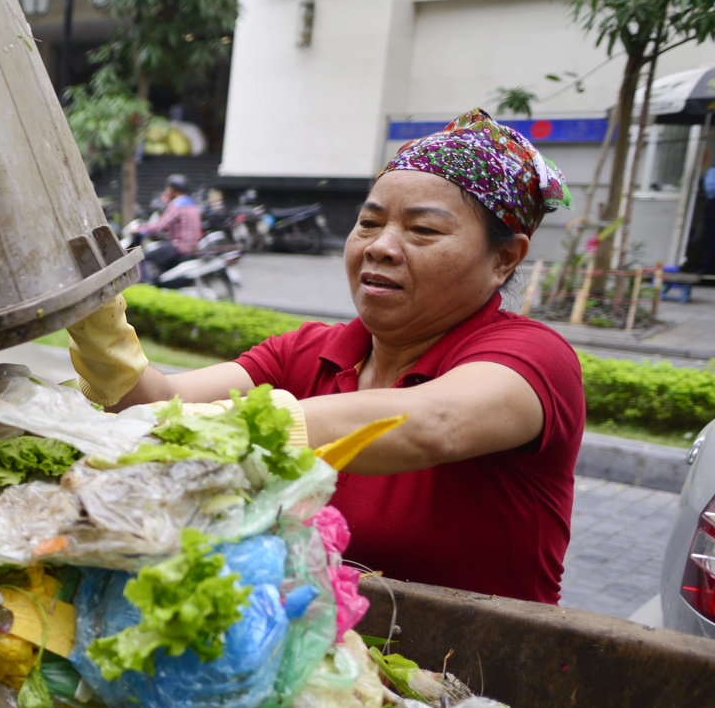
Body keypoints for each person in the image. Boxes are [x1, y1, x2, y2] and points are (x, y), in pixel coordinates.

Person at [66, 109, 584, 604]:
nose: (381, 247)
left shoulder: (534, 358)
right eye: (368, 223)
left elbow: (433, 423)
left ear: (503, 259)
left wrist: (227, 427)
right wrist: (93, 319)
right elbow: (156, 401)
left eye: (423, 230)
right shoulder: (308, 353)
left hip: (474, 681)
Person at [135, 173, 202, 278]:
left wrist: (139, 228)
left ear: (173, 190)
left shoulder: (177, 205)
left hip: (178, 248)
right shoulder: (192, 205)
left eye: (168, 189)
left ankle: (145, 284)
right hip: (191, 248)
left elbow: (158, 227)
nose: (166, 192)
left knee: (141, 257)